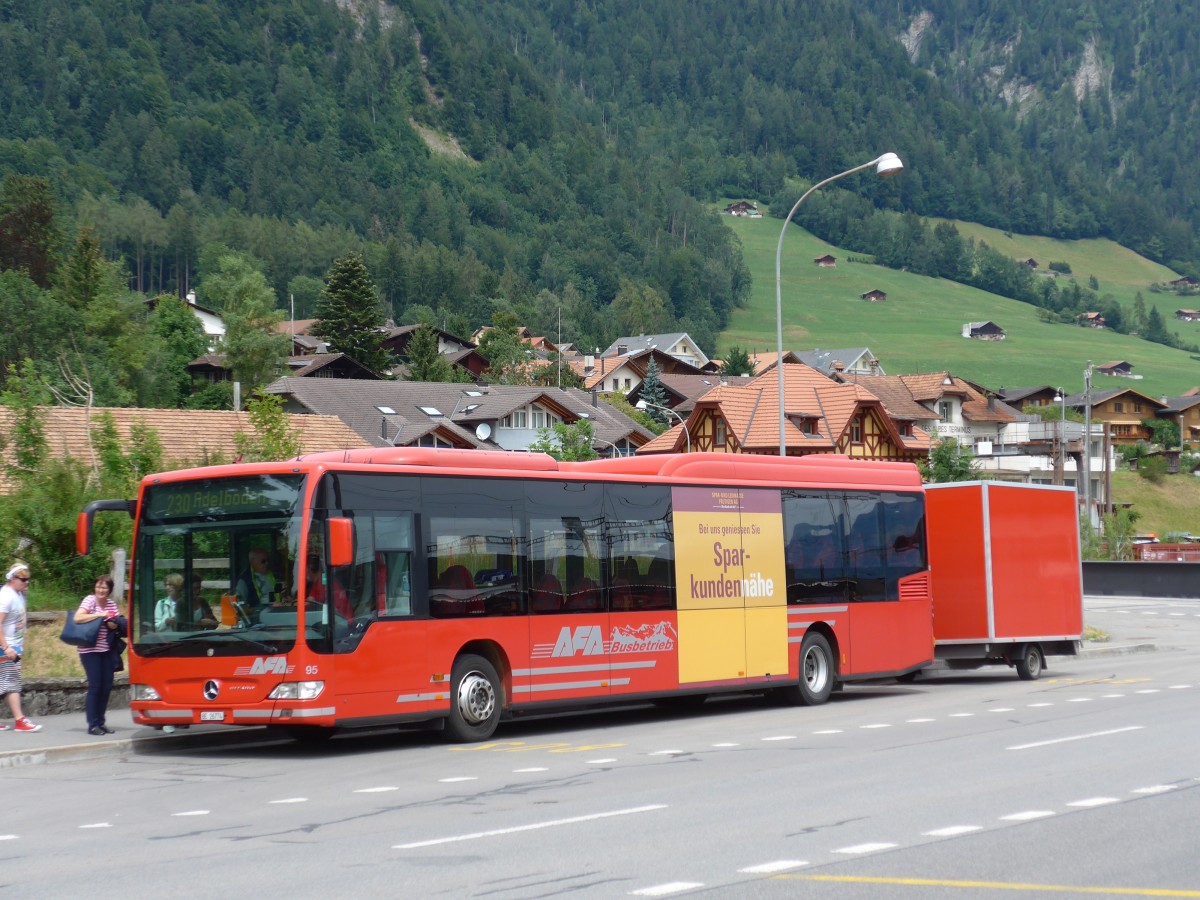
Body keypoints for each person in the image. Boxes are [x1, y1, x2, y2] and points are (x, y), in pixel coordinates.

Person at [74, 575, 125, 736]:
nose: (101, 590)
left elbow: (114, 624)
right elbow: (78, 617)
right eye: (98, 587)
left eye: (104, 588)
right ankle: (92, 724)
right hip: (89, 650)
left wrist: (112, 623)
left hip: (107, 649)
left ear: (109, 590)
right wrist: (100, 615)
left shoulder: (111, 604)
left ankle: (101, 722)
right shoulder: (90, 600)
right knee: (95, 686)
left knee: (107, 687)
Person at [0, 564, 40, 732]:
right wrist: (6, 647)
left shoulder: (18, 594)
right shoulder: (6, 596)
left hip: (14, 645)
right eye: (23, 579)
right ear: (13, 579)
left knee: (4, 682)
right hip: (6, 647)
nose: (27, 582)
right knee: (12, 682)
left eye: (28, 579)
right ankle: (19, 720)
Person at [235, 548, 275, 620]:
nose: (267, 563)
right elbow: (240, 606)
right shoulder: (245, 580)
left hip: (275, 614)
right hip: (256, 619)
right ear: (253, 561)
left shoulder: (272, 575)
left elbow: (276, 595)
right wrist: (257, 610)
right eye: (263, 561)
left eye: (267, 560)